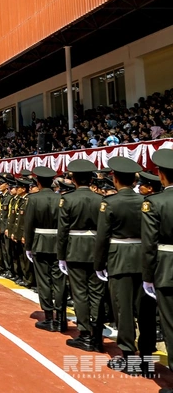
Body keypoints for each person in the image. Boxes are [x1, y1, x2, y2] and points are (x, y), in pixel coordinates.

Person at [95, 156, 156, 374]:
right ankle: (147, 357)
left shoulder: (109, 203)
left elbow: (102, 237)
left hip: (119, 258)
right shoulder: (146, 201)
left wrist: (99, 263)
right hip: (144, 258)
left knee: (123, 310)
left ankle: (129, 355)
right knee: (146, 310)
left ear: (115, 179)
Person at [57, 159, 105, 352]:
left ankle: (85, 334)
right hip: (96, 249)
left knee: (80, 294)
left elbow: (63, 231)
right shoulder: (101, 199)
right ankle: (97, 334)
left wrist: (61, 255)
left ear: (74, 179)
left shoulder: (67, 199)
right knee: (96, 293)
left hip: (75, 249)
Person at [141, 148, 173, 385]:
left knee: (170, 323)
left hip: (167, 269)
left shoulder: (155, 203)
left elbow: (149, 244)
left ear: (161, 176)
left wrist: (148, 276)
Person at [24, 166, 67, 332]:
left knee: (44, 281)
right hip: (58, 243)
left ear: (38, 182)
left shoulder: (33, 199)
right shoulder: (61, 199)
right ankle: (61, 319)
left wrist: (28, 245)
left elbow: (28, 225)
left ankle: (49, 318)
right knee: (59, 281)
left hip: (40, 242)